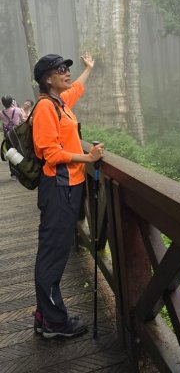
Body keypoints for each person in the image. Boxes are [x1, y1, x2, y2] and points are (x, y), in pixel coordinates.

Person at [32, 52, 104, 339]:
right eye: (60, 69)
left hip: (68, 188)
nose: (67, 72)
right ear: (48, 78)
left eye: (67, 68)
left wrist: (89, 68)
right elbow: (50, 154)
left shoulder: (61, 104)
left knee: (53, 250)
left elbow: (76, 89)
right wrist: (88, 158)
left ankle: (44, 316)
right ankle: (54, 323)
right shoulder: (46, 108)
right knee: (53, 254)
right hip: (58, 189)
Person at [0, 95, 24, 178]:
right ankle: (22, 171)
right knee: (20, 151)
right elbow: (23, 119)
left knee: (10, 152)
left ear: (2, 103)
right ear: (11, 102)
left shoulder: (1, 113)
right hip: (17, 133)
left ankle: (13, 173)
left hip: (8, 135)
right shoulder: (17, 110)